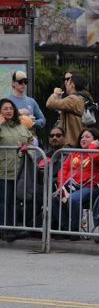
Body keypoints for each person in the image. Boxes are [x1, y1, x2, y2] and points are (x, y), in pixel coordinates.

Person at [51, 127, 99, 234]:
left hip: (92, 187)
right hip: (72, 185)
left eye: (87, 137)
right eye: (82, 137)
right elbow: (64, 169)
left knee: (74, 199)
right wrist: (61, 186)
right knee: (54, 198)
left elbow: (97, 158)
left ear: (96, 140)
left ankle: (74, 231)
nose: (83, 139)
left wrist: (92, 147)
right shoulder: (75, 152)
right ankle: (65, 229)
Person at [0, 98, 32, 242]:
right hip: (3, 170)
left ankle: (13, 228)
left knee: (15, 201)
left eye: (11, 108)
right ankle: (4, 230)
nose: (8, 111)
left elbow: (31, 141)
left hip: (20, 170)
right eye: (5, 108)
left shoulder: (21, 126)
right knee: (4, 201)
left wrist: (28, 149)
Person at [46, 74, 92, 146]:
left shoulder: (73, 99)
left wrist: (55, 93)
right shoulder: (83, 97)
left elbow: (50, 104)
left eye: (68, 81)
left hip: (71, 141)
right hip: (77, 138)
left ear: (72, 85)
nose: (65, 83)